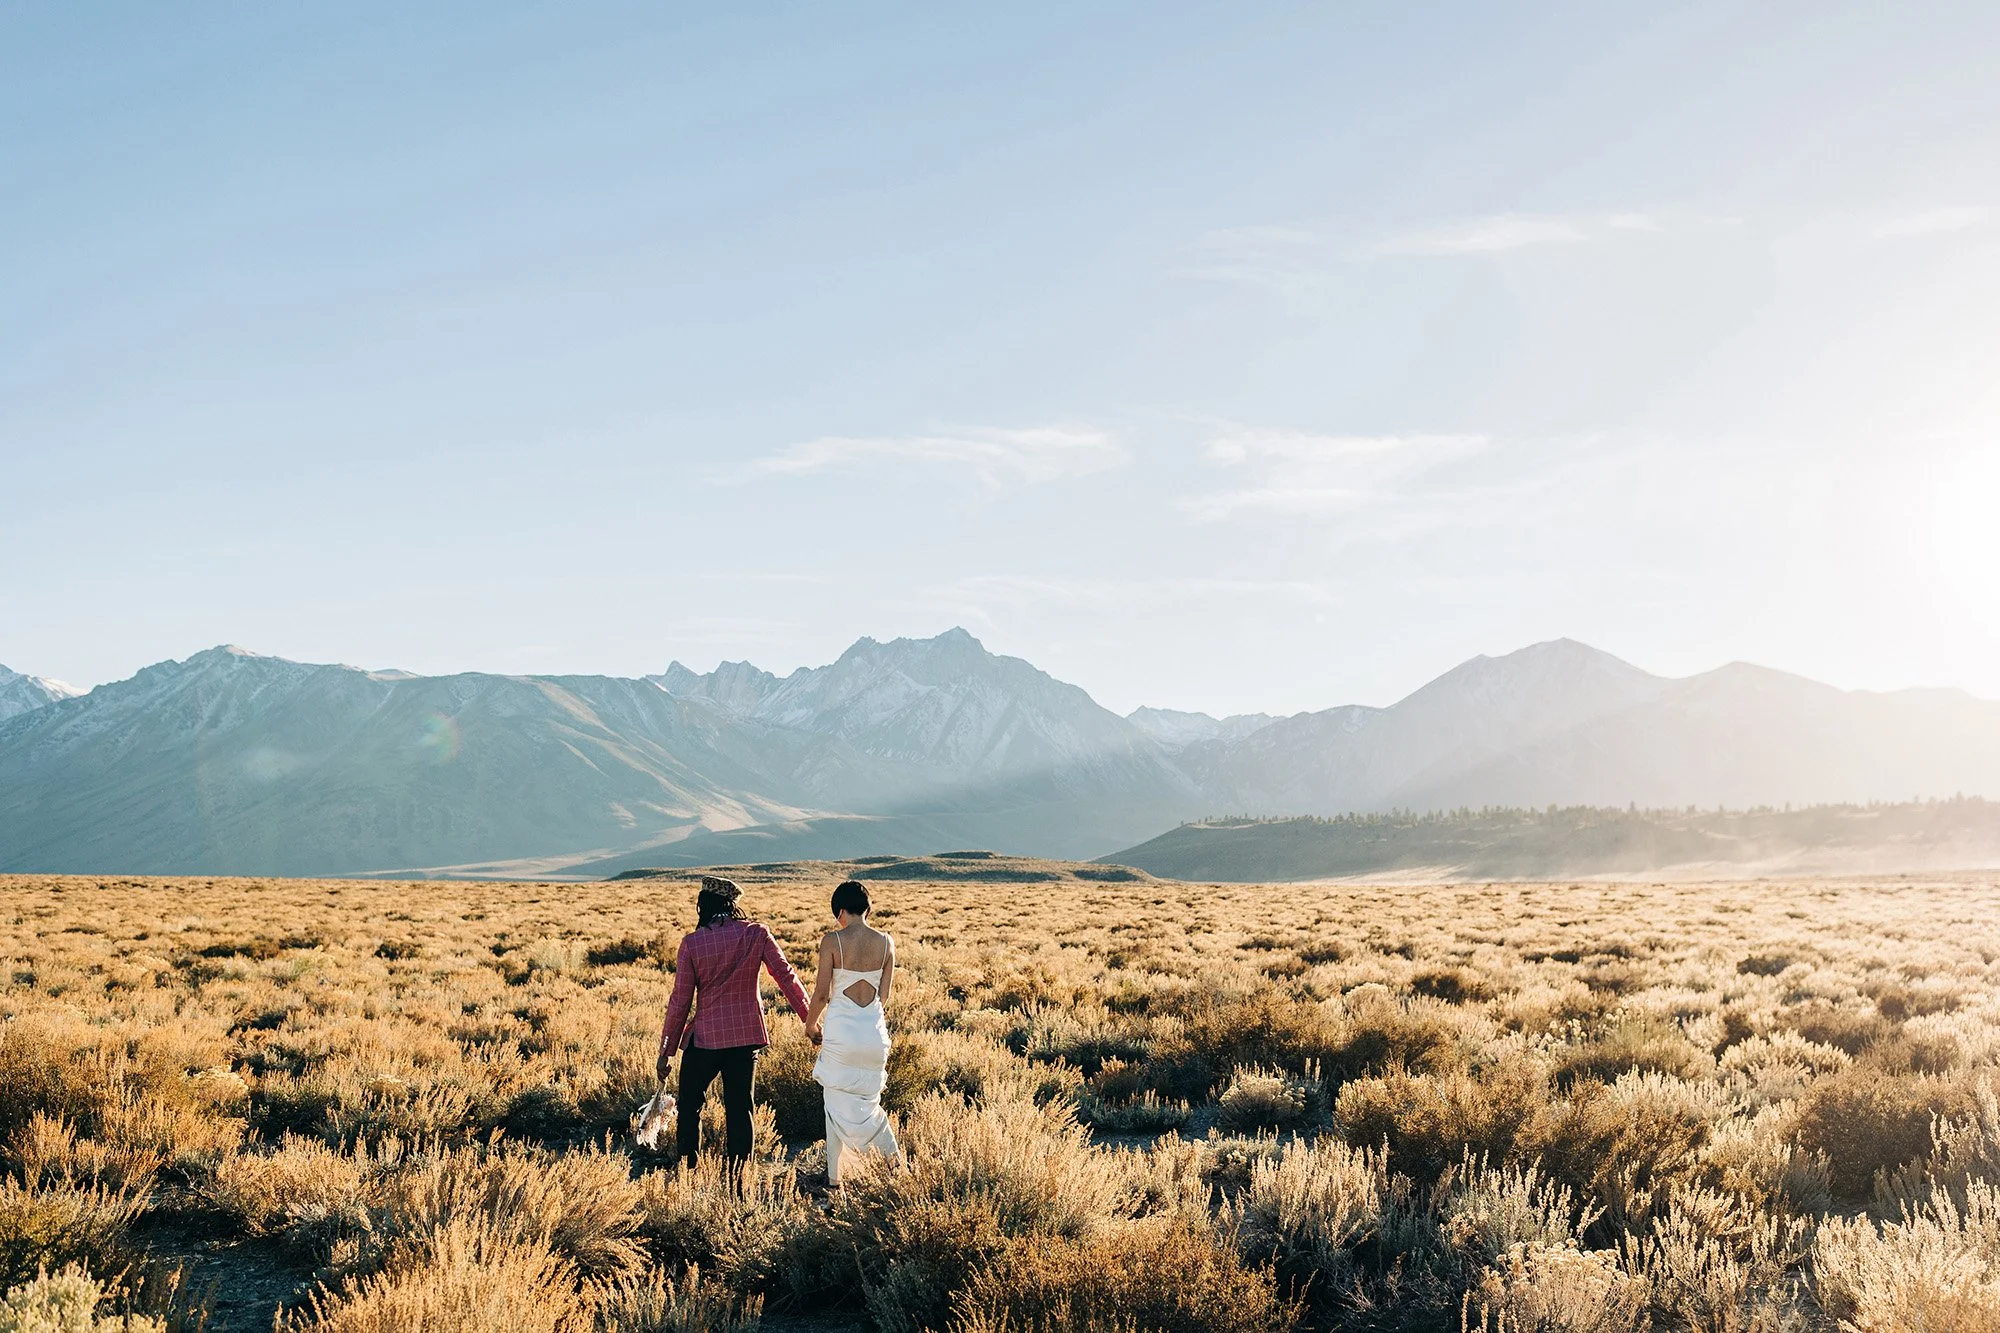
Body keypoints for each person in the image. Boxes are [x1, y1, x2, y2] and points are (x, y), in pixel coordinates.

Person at [656, 875, 812, 1165]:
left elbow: (680, 1001)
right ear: (732, 904)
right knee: (741, 1111)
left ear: (703, 905)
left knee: (690, 1108)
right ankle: (740, 1180)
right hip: (745, 1038)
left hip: (705, 1039)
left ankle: (689, 1173)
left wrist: (666, 1051)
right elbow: (786, 977)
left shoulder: (692, 943)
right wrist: (810, 1020)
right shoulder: (757, 933)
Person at [807, 879, 901, 1183]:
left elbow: (822, 994)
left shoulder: (832, 941)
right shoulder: (887, 942)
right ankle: (892, 1169)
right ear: (868, 909)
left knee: (835, 1108)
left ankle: (837, 1182)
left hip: (841, 1036)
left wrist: (810, 1025)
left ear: (840, 911)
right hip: (874, 1034)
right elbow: (883, 997)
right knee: (869, 1108)